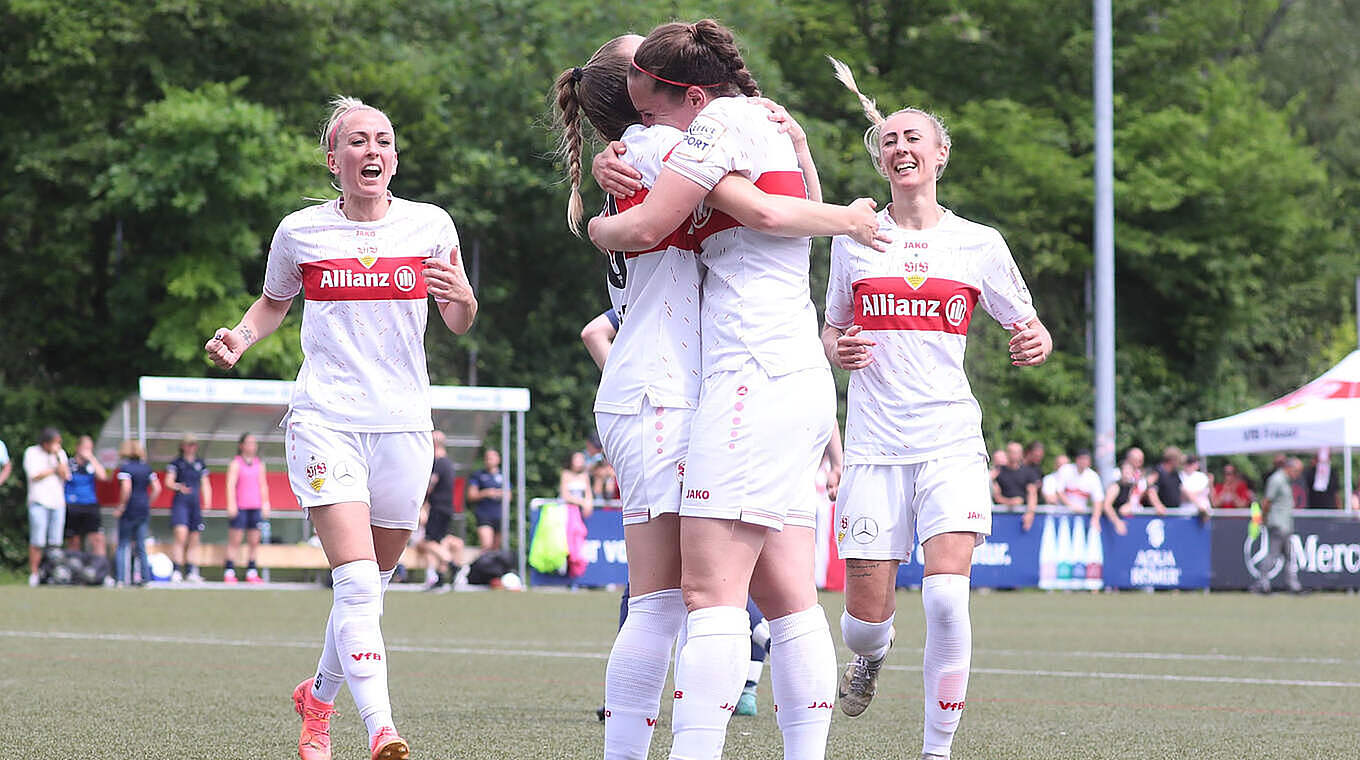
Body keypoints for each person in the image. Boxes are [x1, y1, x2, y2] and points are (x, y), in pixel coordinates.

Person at [585, 22, 894, 760]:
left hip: (738, 378)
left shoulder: (697, 130)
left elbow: (742, 215)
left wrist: (597, 222)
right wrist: (836, 200)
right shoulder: (716, 129)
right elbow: (781, 212)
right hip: (766, 377)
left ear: (683, 92)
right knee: (786, 603)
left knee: (695, 599)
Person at [203, 95, 476, 760]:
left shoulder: (431, 226)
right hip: (327, 419)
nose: (371, 150)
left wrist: (459, 294)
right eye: (356, 141)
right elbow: (272, 304)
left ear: (395, 157)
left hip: (405, 426)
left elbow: (461, 318)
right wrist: (239, 337)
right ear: (334, 159)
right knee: (355, 583)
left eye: (382, 139)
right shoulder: (300, 231)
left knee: (371, 587)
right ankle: (381, 726)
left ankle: (317, 700)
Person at [820, 57, 1052, 760]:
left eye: (914, 137)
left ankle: (936, 750)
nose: (902, 147)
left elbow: (1028, 325)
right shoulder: (854, 237)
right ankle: (872, 652)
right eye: (890, 139)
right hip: (872, 445)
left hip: (951, 438)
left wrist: (1034, 338)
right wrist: (838, 348)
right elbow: (830, 329)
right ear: (881, 158)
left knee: (949, 597)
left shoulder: (979, 242)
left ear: (940, 154)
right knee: (863, 624)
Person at [418, 430, 465, 590]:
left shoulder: (438, 463)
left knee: (427, 543)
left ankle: (453, 565)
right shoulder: (449, 463)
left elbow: (430, 486)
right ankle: (440, 578)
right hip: (447, 508)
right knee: (440, 541)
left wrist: (421, 500)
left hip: (438, 508)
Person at [23, 428, 70, 587]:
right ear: (46, 442)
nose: (58, 446)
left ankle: (52, 573)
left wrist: (57, 457)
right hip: (39, 501)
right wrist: (53, 470)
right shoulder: (32, 453)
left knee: (55, 541)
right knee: (37, 541)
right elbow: (33, 475)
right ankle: (35, 573)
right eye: (55, 443)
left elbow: (66, 475)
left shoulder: (60, 454)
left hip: (58, 502)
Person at [224, 432, 271, 585]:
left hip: (255, 506)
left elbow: (263, 485)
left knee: (254, 540)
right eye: (249, 442)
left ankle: (252, 570)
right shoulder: (236, 463)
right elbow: (230, 485)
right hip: (240, 506)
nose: (252, 446)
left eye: (254, 443)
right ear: (241, 445)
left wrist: (265, 503)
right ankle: (229, 570)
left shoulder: (259, 464)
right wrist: (231, 504)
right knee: (235, 539)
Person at [113, 439, 161, 586]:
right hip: (143, 509)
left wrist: (121, 506)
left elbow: (126, 488)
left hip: (129, 509)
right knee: (141, 545)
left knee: (123, 544)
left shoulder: (125, 468)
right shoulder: (146, 468)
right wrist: (148, 502)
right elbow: (157, 488)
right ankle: (145, 578)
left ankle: (120, 578)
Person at [166, 433, 212, 582]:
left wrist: (207, 501)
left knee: (194, 536)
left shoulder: (200, 463)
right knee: (181, 534)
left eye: (194, 445)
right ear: (183, 446)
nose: (192, 447)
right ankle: (177, 569)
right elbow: (168, 481)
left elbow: (205, 483)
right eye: (189, 444)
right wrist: (178, 486)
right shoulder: (176, 463)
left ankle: (192, 570)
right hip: (181, 502)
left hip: (195, 503)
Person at [1256, 457, 1304, 594]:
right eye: (1296, 471)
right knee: (1273, 555)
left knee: (1289, 555)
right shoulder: (1276, 480)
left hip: (1285, 524)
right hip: (1278, 523)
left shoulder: (1286, 481)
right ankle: (1263, 583)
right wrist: (1264, 518)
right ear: (1289, 468)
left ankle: (1293, 585)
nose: (1297, 475)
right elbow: (1267, 501)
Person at [64, 435, 109, 558]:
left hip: (90, 504)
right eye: (85, 448)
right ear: (78, 447)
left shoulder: (91, 465)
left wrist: (91, 458)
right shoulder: (69, 463)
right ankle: (74, 568)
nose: (87, 451)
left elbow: (103, 476)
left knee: (97, 538)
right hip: (73, 505)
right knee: (74, 540)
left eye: (90, 448)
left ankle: (100, 570)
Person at [466, 446, 509, 552]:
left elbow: (509, 496)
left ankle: (495, 569)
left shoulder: (503, 475)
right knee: (486, 545)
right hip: (484, 515)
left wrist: (499, 493)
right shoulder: (479, 475)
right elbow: (471, 495)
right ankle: (482, 568)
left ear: (498, 459)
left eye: (492, 457)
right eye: (487, 458)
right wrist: (485, 493)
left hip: (499, 516)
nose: (489, 460)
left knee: (496, 549)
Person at [993, 441, 1039, 516]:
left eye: (1017, 452)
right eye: (1012, 452)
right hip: (1001, 515)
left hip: (1022, 515)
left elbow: (1032, 493)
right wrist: (1010, 502)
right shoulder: (998, 472)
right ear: (1007, 453)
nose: (1014, 455)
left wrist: (1030, 513)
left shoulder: (1028, 472)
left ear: (1021, 454)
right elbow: (996, 495)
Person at [1058, 450, 1104, 514]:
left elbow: (1098, 499)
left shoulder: (1093, 476)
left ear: (1089, 462)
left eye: (1086, 459)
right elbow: (1059, 491)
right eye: (1081, 459)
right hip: (1062, 512)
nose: (1083, 462)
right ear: (1076, 459)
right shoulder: (1065, 469)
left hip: (1081, 514)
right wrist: (1071, 506)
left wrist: (1095, 518)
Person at [1143, 446, 1182, 515]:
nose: (1179, 462)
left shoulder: (1175, 473)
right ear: (1172, 460)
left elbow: (1182, 489)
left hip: (1173, 513)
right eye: (1178, 459)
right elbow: (1150, 489)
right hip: (1160, 515)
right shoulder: (1157, 471)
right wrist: (1157, 505)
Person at [1179, 455, 1212, 520]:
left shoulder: (1201, 476)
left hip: (1203, 516)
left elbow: (1198, 492)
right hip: (1185, 514)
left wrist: (1187, 493)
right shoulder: (1179, 476)